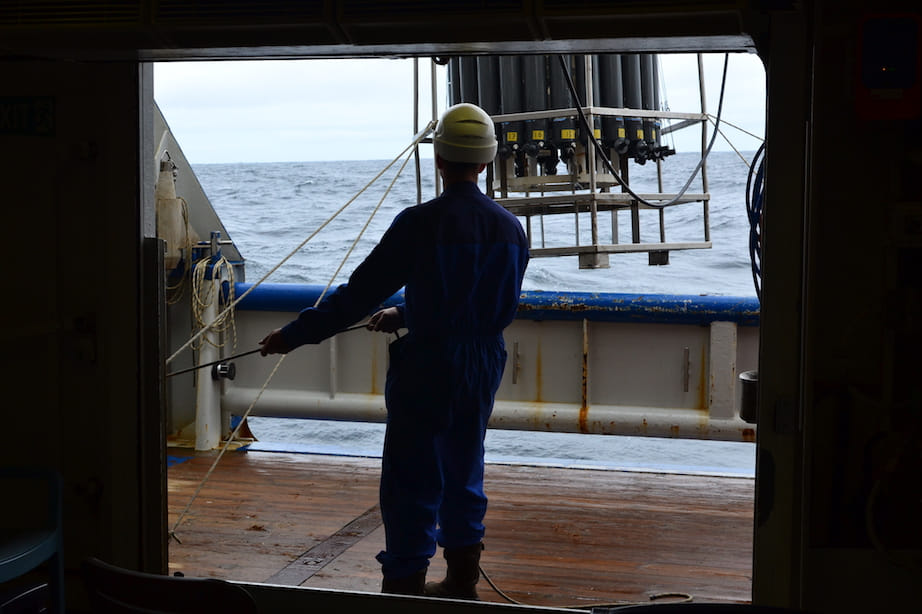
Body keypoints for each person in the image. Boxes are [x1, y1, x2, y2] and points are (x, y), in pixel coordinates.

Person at [259, 102, 529, 598]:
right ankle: (462, 583)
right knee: (465, 463)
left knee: (412, 477)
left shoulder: (419, 223)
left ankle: (404, 589)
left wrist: (293, 336)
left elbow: (357, 297)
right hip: (484, 361)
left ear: (439, 159)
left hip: (429, 364)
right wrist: (405, 313)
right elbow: (478, 299)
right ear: (487, 161)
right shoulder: (511, 228)